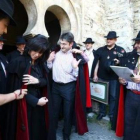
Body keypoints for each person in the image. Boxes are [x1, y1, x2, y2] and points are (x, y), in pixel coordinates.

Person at [6, 35, 56, 140]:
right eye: (35, 50)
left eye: (40, 52)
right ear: (30, 47)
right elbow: (15, 89)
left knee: (38, 131)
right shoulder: (18, 62)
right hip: (25, 104)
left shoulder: (40, 64)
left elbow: (46, 82)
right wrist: (36, 101)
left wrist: (37, 81)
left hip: (40, 104)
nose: (37, 54)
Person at [47, 32, 91, 140]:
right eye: (61, 43)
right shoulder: (55, 53)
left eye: (65, 44)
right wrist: (49, 61)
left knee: (68, 112)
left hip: (69, 88)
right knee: (54, 111)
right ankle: (52, 132)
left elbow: (85, 63)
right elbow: (49, 69)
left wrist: (76, 67)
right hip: (55, 87)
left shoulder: (74, 55)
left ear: (71, 44)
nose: (62, 46)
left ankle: (66, 135)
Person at [92, 31, 126, 124]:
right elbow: (96, 63)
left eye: (111, 39)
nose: (108, 40)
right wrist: (95, 75)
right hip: (102, 77)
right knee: (102, 96)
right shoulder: (100, 50)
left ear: (115, 40)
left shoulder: (120, 50)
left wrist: (118, 62)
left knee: (113, 97)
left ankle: (111, 114)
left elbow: (124, 65)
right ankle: (102, 112)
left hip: (114, 78)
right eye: (108, 38)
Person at [117, 31, 140, 140]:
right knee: (129, 124)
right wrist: (124, 80)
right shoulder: (134, 56)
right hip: (131, 95)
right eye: (136, 42)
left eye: (139, 43)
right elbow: (130, 74)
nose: (136, 45)